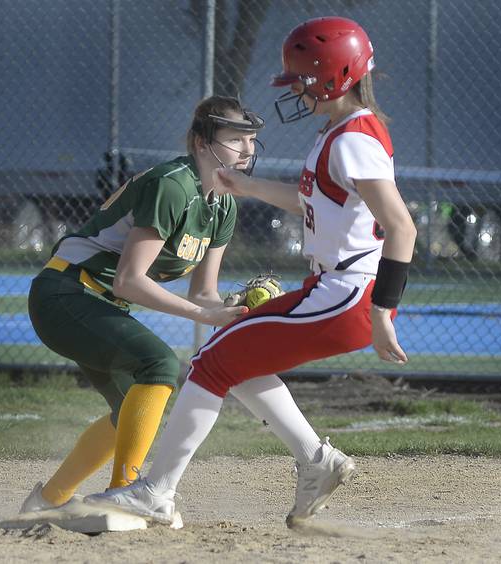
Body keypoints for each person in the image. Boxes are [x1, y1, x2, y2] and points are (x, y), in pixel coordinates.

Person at [85, 16, 417, 527]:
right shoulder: (345, 131)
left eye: (302, 80)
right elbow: (316, 202)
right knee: (233, 358)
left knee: (210, 363)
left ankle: (155, 491)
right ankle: (316, 461)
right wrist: (248, 188)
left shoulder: (352, 138)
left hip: (348, 291)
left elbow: (402, 228)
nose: (298, 91)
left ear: (330, 77)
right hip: (334, 286)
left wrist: (383, 312)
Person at [18, 95, 264, 514]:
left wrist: (238, 310)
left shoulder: (222, 205)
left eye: (252, 140)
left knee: (131, 407)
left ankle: (45, 502)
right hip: (65, 292)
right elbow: (132, 280)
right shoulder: (174, 184)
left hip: (100, 302)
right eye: (236, 138)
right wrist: (204, 315)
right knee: (161, 366)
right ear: (203, 143)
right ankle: (124, 497)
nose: (248, 150)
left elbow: (203, 293)